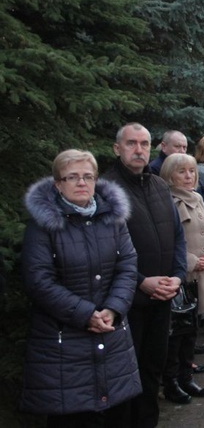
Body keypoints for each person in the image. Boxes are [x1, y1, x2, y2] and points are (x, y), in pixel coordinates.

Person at [20, 150, 141, 426]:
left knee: (116, 414)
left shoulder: (113, 218)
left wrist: (113, 308)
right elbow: (38, 280)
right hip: (63, 345)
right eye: (72, 177)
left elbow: (128, 265)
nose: (81, 182)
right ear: (57, 184)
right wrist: (86, 314)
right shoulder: (43, 225)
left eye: (88, 176)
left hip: (113, 338)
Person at [103, 123, 187, 427]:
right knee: (126, 376)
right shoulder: (106, 189)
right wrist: (142, 282)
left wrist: (177, 276)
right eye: (131, 143)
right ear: (117, 148)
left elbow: (177, 236)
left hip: (163, 296)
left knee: (152, 369)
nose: (139, 150)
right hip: (128, 303)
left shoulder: (158, 185)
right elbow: (104, 251)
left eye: (144, 144)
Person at [160, 154, 204, 403]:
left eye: (192, 171)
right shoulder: (166, 202)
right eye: (181, 171)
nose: (188, 176)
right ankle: (171, 383)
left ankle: (187, 378)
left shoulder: (197, 199)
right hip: (179, 276)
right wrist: (193, 260)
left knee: (191, 332)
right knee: (176, 334)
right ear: (169, 175)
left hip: (201, 275)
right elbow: (165, 242)